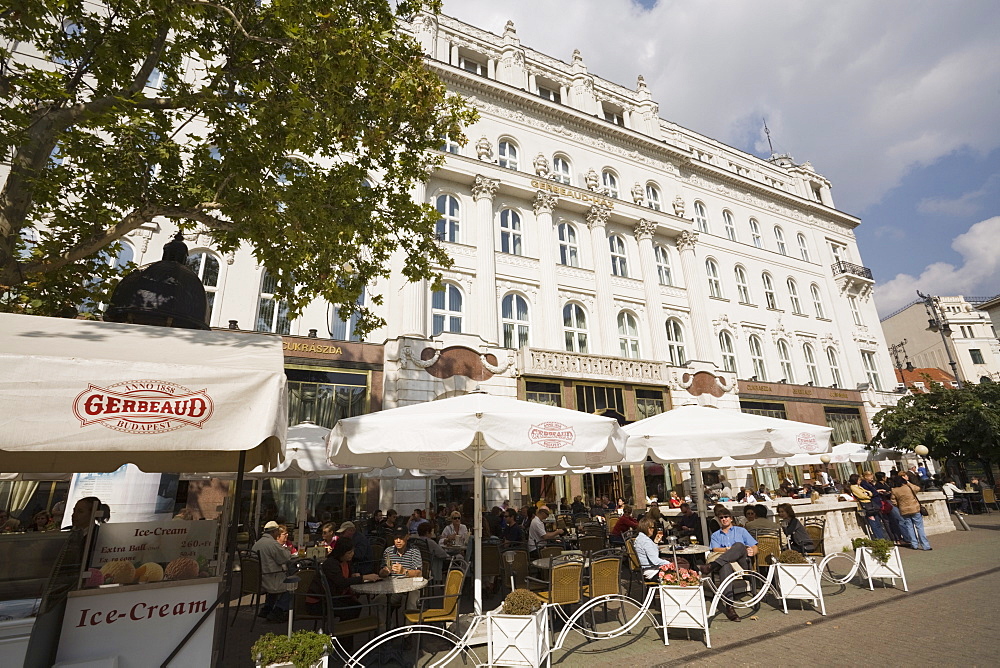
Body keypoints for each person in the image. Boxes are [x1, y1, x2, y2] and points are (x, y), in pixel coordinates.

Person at [701, 508, 757, 622]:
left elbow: (754, 546)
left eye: (726, 517)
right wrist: (727, 550)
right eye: (721, 518)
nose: (724, 519)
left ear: (731, 518)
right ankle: (729, 607)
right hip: (727, 564)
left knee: (739, 545)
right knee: (725, 565)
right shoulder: (716, 535)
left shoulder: (741, 530)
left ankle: (713, 565)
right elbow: (715, 548)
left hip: (742, 564)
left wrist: (753, 551)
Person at [306, 537, 379, 618]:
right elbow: (341, 582)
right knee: (351, 610)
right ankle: (340, 629)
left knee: (356, 606)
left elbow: (345, 578)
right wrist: (364, 577)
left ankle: (343, 628)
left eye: (352, 551)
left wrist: (352, 576)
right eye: (349, 553)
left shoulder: (346, 562)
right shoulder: (331, 564)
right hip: (319, 601)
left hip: (333, 597)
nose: (352, 554)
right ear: (341, 552)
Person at [252, 521, 293, 623]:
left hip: (259, 578)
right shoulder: (272, 544)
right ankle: (278, 610)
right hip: (270, 578)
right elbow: (284, 558)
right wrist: (288, 550)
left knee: (279, 579)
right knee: (293, 584)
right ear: (274, 532)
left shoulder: (257, 544)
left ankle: (267, 608)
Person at [892, 473, 932, 550]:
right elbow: (917, 488)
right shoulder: (908, 487)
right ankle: (925, 545)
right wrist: (908, 483)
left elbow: (893, 501)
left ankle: (914, 544)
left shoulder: (894, 490)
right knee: (919, 527)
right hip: (914, 508)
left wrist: (899, 505)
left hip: (904, 510)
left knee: (909, 527)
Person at [849, 473, 887, 539]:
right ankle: (879, 538)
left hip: (871, 505)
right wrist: (867, 494)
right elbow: (862, 495)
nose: (860, 481)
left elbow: (870, 492)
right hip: (866, 506)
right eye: (859, 480)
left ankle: (882, 538)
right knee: (873, 524)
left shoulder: (859, 486)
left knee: (878, 523)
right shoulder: (853, 487)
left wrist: (867, 494)